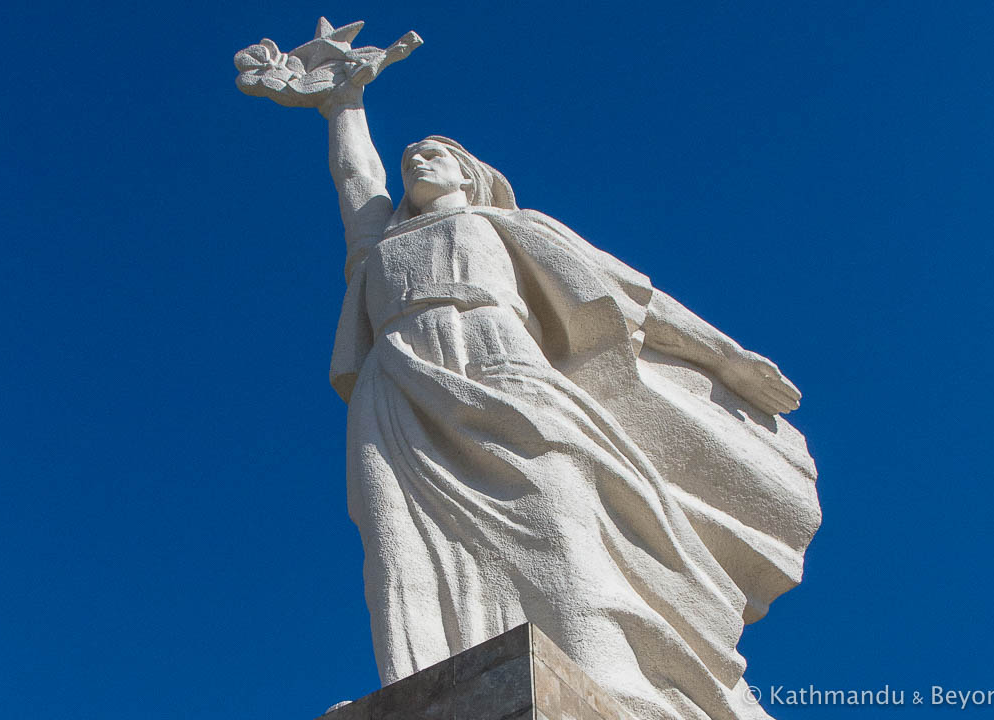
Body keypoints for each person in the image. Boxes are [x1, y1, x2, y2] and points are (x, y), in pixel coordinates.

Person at [316, 71, 819, 720]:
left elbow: (631, 300)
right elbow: (358, 183)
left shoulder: (508, 226)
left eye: (434, 152)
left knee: (560, 523)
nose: (418, 158)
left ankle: (611, 684)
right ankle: (428, 679)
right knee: (399, 541)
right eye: (410, 155)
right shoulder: (380, 245)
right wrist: (341, 102)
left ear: (470, 175)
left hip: (504, 368)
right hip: (400, 388)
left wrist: (726, 356)